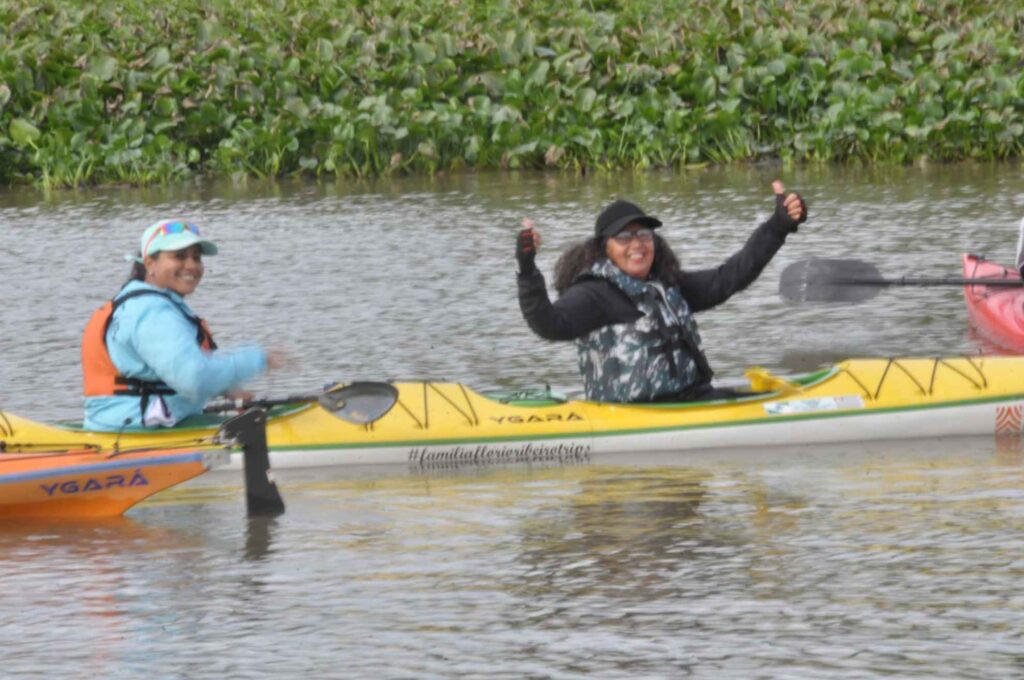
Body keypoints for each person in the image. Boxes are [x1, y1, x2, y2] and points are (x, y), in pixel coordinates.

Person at [516, 181, 807, 403]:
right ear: (603, 247)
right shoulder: (593, 294)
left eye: (644, 235)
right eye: (624, 237)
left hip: (692, 401)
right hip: (632, 416)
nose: (637, 244)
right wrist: (527, 268)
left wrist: (777, 227)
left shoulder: (667, 286)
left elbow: (730, 277)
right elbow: (548, 324)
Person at [82, 219, 283, 431]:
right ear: (150, 263)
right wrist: (256, 359)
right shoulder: (150, 312)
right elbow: (193, 377)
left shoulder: (143, 304)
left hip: (122, 425)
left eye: (196, 257)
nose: (191, 265)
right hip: (135, 434)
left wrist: (227, 388)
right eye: (179, 256)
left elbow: (165, 369)